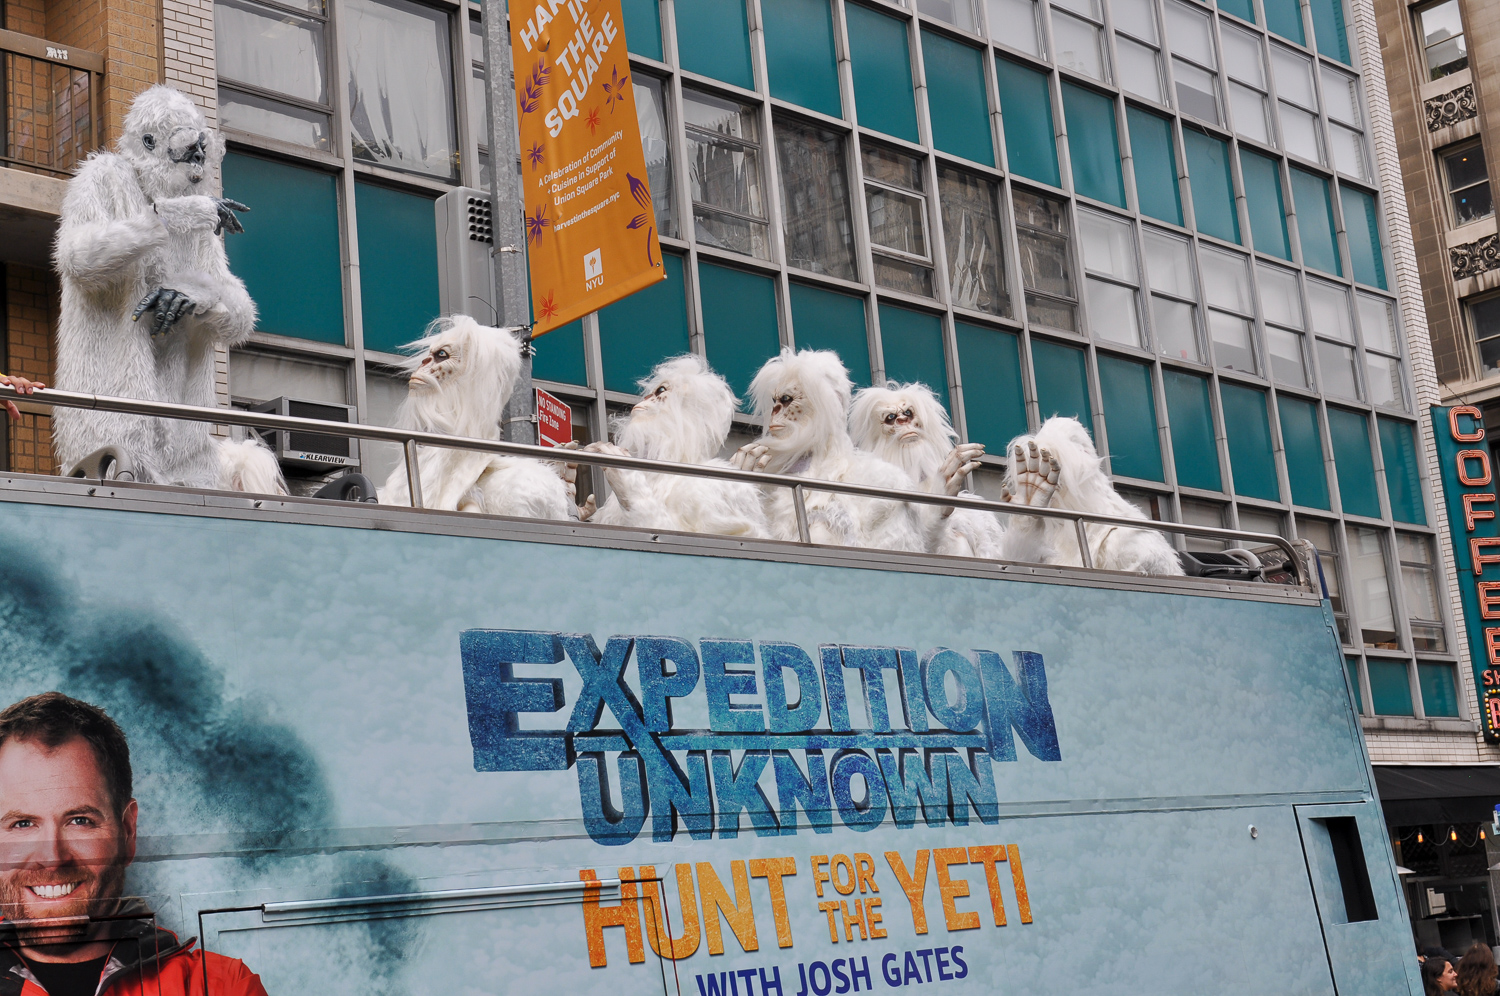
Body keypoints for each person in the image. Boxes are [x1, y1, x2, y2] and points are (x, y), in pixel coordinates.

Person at [0, 692, 266, 996]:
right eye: (22, 824)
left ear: (127, 831)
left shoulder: (224, 988)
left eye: (80, 820)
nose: (52, 857)